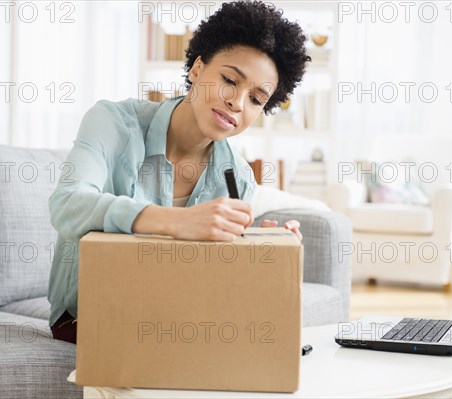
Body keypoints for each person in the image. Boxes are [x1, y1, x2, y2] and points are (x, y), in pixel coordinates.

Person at [48, 0, 311, 344]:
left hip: (178, 320)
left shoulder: (239, 177)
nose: (237, 103)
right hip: (88, 316)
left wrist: (264, 254)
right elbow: (67, 203)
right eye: (230, 80)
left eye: (256, 100)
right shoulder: (113, 123)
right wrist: (174, 222)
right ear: (197, 69)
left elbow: (215, 285)